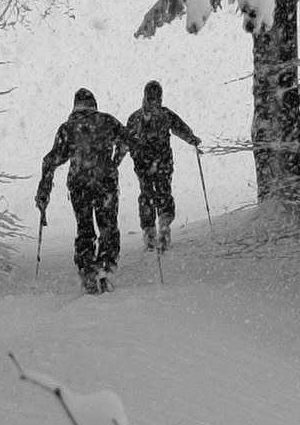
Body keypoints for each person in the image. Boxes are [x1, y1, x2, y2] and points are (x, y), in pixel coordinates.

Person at [35, 88, 129, 292]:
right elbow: (127, 141)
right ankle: (106, 268)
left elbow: (51, 160)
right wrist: (115, 161)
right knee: (108, 227)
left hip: (79, 184)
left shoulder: (68, 128)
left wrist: (44, 192)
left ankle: (87, 272)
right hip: (105, 182)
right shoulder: (107, 121)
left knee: (84, 228)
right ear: (94, 103)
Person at [126, 76, 202, 256]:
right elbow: (180, 128)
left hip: (143, 165)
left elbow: (126, 140)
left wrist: (119, 158)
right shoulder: (165, 115)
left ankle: (149, 233)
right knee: (164, 193)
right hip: (163, 163)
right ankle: (164, 228)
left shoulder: (135, 118)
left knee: (146, 195)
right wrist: (192, 139)